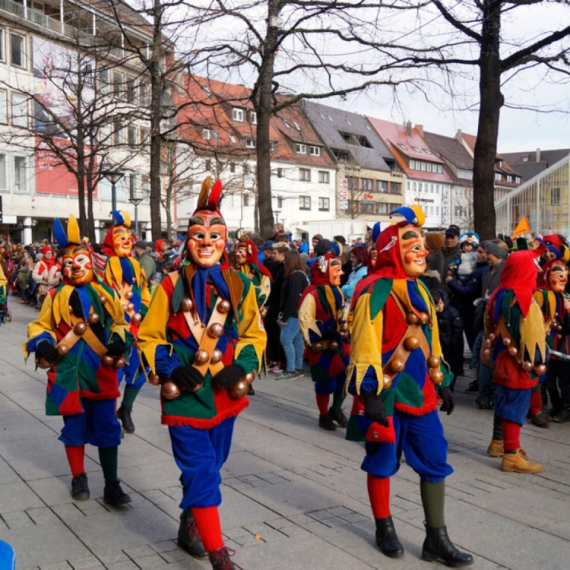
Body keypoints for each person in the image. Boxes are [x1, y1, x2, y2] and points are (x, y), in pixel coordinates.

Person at [137, 178, 266, 570]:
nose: (206, 241)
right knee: (202, 469)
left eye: (214, 234)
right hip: (186, 394)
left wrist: (242, 367)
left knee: (214, 463)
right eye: (198, 234)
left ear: (225, 240)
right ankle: (219, 555)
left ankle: (189, 521)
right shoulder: (170, 285)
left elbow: (253, 334)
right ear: (187, 240)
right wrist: (170, 365)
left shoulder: (240, 284)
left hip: (225, 394)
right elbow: (149, 335)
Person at [346, 206, 472, 567]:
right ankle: (384, 527)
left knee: (435, 460)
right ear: (390, 250)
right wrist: (368, 393)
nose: (420, 250)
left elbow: (429, 340)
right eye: (410, 243)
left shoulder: (421, 287)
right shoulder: (373, 290)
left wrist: (442, 380)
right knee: (382, 461)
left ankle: (436, 538)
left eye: (421, 244)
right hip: (383, 395)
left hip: (421, 394)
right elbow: (363, 344)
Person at [24, 215, 133, 505]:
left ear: (92, 261)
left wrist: (122, 339)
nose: (75, 266)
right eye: (69, 262)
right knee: (73, 427)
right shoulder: (55, 294)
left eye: (81, 260)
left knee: (108, 427)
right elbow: (40, 325)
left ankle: (112, 483)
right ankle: (78, 476)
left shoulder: (106, 293)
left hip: (101, 371)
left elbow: (121, 323)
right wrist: (43, 342)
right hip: (68, 371)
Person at [485, 249, 548, 473]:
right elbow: (533, 342)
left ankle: (498, 443)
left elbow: (488, 328)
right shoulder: (524, 299)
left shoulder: (498, 293)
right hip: (518, 363)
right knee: (515, 406)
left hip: (500, 357)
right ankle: (511, 455)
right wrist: (541, 364)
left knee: (503, 400)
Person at [100, 212, 151, 434]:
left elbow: (144, 292)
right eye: (119, 236)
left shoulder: (136, 265)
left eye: (128, 235)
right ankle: (110, 417)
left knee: (140, 374)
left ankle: (126, 409)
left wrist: (147, 313)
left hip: (137, 329)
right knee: (114, 376)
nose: (126, 239)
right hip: (114, 331)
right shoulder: (103, 266)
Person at [299, 253, 351, 430]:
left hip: (341, 344)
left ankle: (336, 410)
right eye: (337, 270)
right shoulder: (312, 294)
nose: (342, 273)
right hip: (323, 347)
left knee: (344, 380)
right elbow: (305, 319)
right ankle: (323, 415)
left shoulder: (337, 292)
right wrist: (322, 332)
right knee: (325, 382)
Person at [533, 240, 570, 424]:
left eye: (551, 251)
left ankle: (564, 407)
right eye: (545, 251)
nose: (547, 254)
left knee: (563, 376)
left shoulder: (564, 294)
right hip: (550, 337)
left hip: (563, 340)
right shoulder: (542, 291)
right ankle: (554, 405)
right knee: (550, 375)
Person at [277, 250, 309, 380]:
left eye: (286, 261)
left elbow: (293, 298)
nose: (284, 264)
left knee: (285, 339)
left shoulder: (296, 276)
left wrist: (284, 317)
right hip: (298, 312)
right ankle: (298, 367)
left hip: (293, 313)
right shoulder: (301, 275)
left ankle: (291, 369)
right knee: (296, 340)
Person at [431, 290, 464, 390]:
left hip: (452, 348)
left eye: (441, 303)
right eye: (437, 305)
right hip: (440, 347)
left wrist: (452, 343)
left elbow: (458, 330)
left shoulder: (452, 312)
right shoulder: (433, 315)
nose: (440, 307)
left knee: (451, 369)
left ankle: (448, 390)